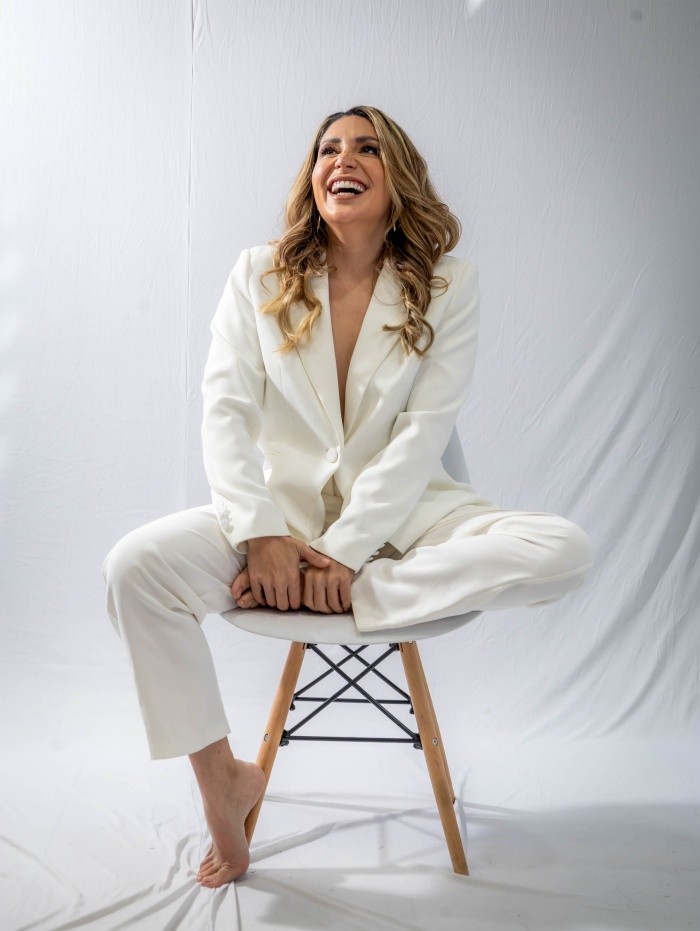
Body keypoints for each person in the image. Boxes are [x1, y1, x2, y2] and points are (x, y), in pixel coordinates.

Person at [102, 105, 594, 888]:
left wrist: (342, 557)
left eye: (367, 148)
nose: (344, 159)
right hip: (279, 526)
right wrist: (262, 534)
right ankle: (222, 776)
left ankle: (357, 590)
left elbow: (423, 435)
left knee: (563, 552)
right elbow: (224, 413)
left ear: (399, 176)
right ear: (312, 176)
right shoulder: (259, 274)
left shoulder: (448, 286)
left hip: (408, 521)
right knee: (134, 568)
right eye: (328, 149)